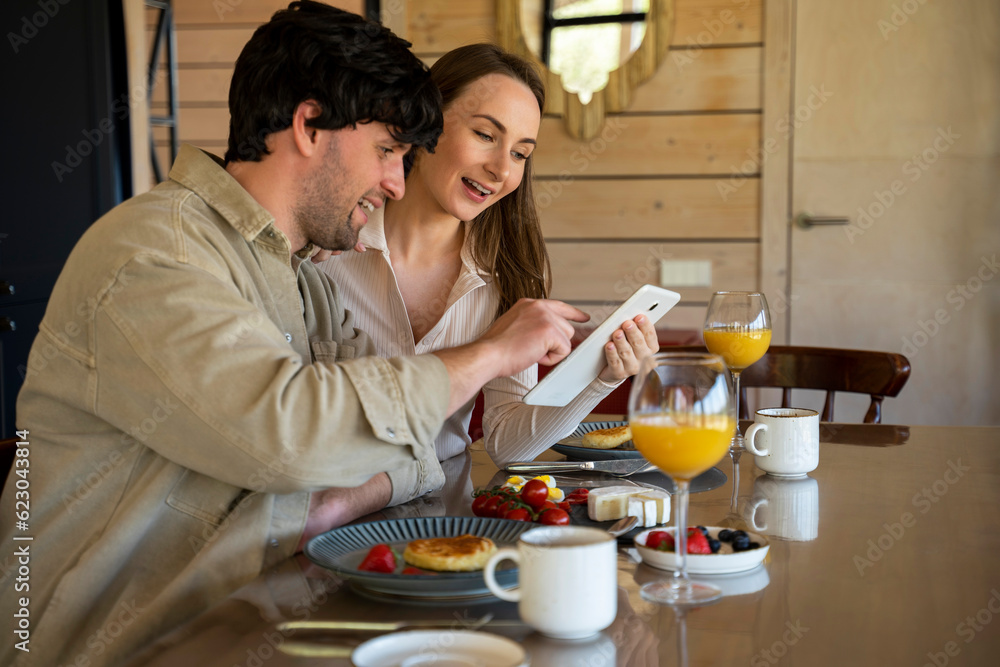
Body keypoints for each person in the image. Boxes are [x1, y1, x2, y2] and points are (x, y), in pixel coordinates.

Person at [0, 5, 588, 666]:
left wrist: (337, 494)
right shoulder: (155, 252)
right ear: (310, 125)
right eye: (388, 150)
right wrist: (486, 354)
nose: (396, 180)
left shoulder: (300, 277)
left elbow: (403, 442)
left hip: (248, 619)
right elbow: (295, 435)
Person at [316, 44, 659, 465]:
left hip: (448, 522)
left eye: (519, 154)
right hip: (326, 515)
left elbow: (505, 444)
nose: (502, 169)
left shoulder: (508, 275)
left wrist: (600, 379)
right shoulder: (324, 247)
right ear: (427, 122)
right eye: (485, 135)